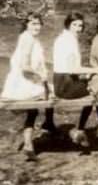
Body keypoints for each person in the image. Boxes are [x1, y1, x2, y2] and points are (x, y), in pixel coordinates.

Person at [1, 13, 56, 160]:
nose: (37, 27)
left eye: (39, 24)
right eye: (33, 24)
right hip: (23, 84)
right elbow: (25, 66)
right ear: (26, 25)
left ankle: (29, 143)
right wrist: (41, 75)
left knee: (36, 108)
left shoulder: (29, 38)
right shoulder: (27, 39)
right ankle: (48, 125)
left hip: (26, 81)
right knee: (52, 93)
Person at [52, 12, 98, 146]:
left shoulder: (63, 37)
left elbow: (71, 68)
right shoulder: (68, 41)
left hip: (61, 82)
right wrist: (95, 70)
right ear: (68, 24)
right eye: (74, 25)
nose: (78, 28)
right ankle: (88, 129)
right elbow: (73, 69)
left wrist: (86, 74)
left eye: (80, 26)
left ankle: (94, 127)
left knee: (94, 85)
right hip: (66, 85)